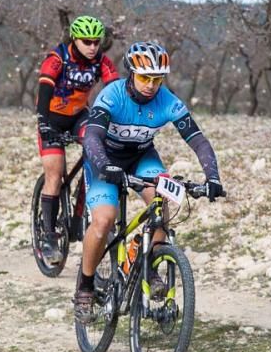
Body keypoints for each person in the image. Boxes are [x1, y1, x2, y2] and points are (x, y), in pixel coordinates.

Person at [73, 40, 226, 323]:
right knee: (105, 219)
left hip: (142, 157)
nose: (151, 85)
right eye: (145, 77)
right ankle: (84, 286)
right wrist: (105, 165)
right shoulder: (113, 94)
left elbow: (198, 139)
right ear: (131, 72)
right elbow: (92, 136)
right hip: (104, 159)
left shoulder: (167, 100)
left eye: (157, 79)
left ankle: (151, 265)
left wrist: (212, 176)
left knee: (161, 203)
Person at [35, 15, 119, 264]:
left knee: (97, 153)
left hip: (79, 116)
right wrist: (42, 123)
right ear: (75, 39)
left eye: (97, 42)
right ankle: (49, 237)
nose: (93, 46)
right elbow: (44, 89)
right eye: (87, 42)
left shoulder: (102, 61)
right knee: (55, 173)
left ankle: (80, 214)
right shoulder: (57, 58)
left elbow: (115, 90)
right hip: (52, 118)